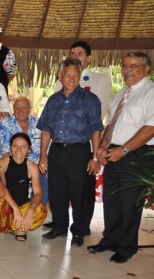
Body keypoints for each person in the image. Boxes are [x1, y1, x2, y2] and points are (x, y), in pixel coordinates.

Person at [91, 52, 154, 263]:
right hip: (115, 150)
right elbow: (113, 123)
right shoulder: (122, 93)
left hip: (136, 154)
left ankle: (127, 247)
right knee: (112, 201)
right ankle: (110, 239)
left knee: (129, 203)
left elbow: (150, 128)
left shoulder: (150, 92)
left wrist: (124, 150)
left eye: (134, 66)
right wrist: (103, 146)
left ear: (146, 69)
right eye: (125, 66)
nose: (127, 70)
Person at [37, 58, 103, 247]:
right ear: (60, 76)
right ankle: (59, 226)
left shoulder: (89, 99)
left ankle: (80, 230)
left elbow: (96, 129)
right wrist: (44, 154)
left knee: (80, 194)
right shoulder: (53, 100)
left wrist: (95, 157)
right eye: (68, 75)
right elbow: (46, 129)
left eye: (76, 75)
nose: (72, 79)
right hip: (56, 151)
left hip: (79, 152)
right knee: (57, 192)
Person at [0, 133, 47, 244]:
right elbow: (2, 189)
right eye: (15, 146)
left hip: (22, 207)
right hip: (5, 206)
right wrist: (14, 207)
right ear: (10, 147)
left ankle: (20, 228)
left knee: (41, 209)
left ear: (29, 149)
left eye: (23, 146)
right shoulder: (2, 162)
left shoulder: (32, 167)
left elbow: (38, 194)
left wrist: (31, 210)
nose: (18, 149)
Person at [0, 97, 48, 206]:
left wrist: (46, 164)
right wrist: (15, 170)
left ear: (30, 109)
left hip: (37, 165)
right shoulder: (7, 123)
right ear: (13, 109)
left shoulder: (38, 122)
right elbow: (5, 150)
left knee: (47, 179)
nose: (20, 111)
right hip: (15, 165)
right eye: (17, 108)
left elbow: (46, 148)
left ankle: (32, 208)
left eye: (24, 108)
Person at [53, 40, 113, 122]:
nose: (75, 57)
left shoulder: (100, 80)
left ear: (89, 58)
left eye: (79, 54)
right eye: (72, 54)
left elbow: (100, 111)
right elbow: (55, 107)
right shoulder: (61, 80)